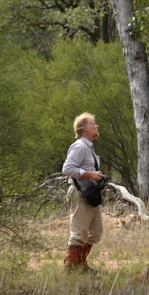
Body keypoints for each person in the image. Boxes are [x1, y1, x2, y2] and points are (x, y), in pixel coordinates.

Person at [61, 112, 104, 273]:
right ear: (86, 128)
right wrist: (90, 174)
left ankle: (80, 265)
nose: (97, 126)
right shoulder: (79, 146)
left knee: (95, 233)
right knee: (78, 234)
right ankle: (71, 270)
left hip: (90, 195)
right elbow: (67, 169)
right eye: (93, 124)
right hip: (80, 194)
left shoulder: (88, 147)